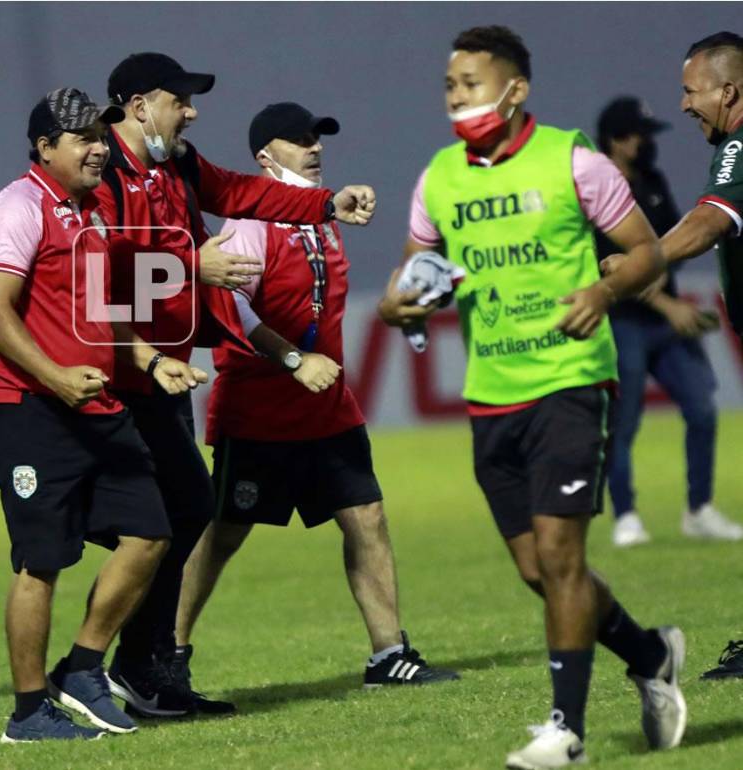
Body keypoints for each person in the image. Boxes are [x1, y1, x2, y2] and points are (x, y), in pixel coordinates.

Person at [376, 26, 685, 769]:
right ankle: (651, 655)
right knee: (538, 573)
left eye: (472, 83)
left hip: (570, 381)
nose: (458, 97)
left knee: (560, 555)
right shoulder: (439, 178)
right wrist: (395, 305)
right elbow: (414, 274)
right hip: (491, 393)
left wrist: (604, 291)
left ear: (515, 90)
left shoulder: (574, 162)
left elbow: (647, 252)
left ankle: (565, 732)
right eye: (450, 86)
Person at [96, 51, 377, 718]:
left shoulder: (177, 164)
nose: (192, 113)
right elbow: (96, 268)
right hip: (118, 371)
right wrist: (189, 263)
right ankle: (92, 669)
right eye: (180, 101)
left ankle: (143, 666)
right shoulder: (101, 170)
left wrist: (325, 205)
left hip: (167, 371)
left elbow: (245, 194)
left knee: (185, 511)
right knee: (148, 523)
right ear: (139, 106)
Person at [174, 102, 458, 691]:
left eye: (317, 137)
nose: (315, 148)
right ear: (264, 156)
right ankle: (168, 651)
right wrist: (295, 360)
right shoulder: (249, 220)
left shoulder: (322, 216)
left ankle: (389, 654)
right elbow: (233, 307)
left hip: (327, 407)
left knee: (366, 517)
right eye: (300, 139)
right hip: (259, 409)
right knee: (223, 532)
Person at [0, 87, 208, 742]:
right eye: (82, 138)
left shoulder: (93, 214)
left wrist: (151, 361)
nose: (98, 149)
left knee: (153, 533)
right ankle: (28, 713)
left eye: (101, 137)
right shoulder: (17, 207)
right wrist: (54, 377)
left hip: (97, 406)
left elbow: (100, 312)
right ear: (45, 147)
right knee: (42, 562)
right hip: (30, 410)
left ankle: (82, 667)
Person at [605, 30, 743, 682]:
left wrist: (644, 260)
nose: (684, 104)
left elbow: (710, 221)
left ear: (729, 91)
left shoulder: (739, 146)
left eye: (692, 91)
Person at [593, 96, 739, 547]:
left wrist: (665, 279)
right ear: (617, 140)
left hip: (664, 322)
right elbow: (609, 268)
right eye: (641, 136)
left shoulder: (652, 180)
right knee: (624, 423)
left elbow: (675, 241)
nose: (648, 144)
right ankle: (626, 517)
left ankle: (699, 509)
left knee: (701, 408)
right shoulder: (597, 191)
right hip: (624, 322)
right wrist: (669, 305)